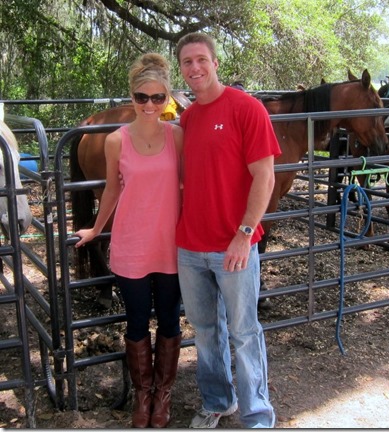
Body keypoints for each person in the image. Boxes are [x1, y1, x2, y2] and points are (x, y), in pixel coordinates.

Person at [175, 32, 281, 428]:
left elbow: (264, 176)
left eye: (201, 59)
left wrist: (244, 232)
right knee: (205, 332)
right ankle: (219, 401)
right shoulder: (188, 118)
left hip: (233, 244)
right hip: (189, 246)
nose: (195, 68)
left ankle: (257, 413)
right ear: (182, 70)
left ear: (215, 62)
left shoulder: (246, 109)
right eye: (187, 62)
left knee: (244, 331)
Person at [74, 53, 183, 429]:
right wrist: (95, 229)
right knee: (137, 322)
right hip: (132, 244)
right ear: (132, 96)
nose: (149, 105)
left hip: (170, 244)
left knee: (169, 320)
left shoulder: (178, 136)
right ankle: (143, 393)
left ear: (168, 98)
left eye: (158, 98)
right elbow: (111, 191)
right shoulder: (117, 141)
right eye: (142, 97)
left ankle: (163, 394)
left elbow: (190, 186)